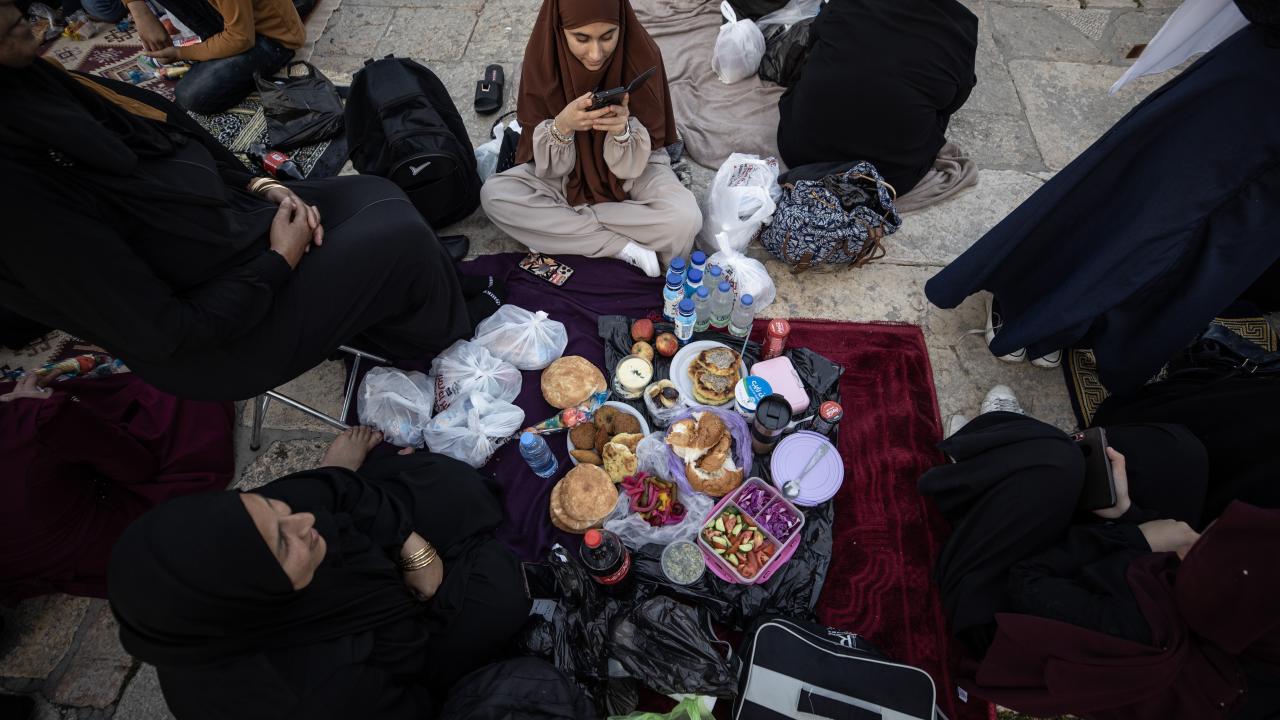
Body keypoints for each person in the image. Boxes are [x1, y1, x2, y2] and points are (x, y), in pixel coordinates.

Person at [0, 9, 502, 401]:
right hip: (222, 333)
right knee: (401, 239)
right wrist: (279, 259)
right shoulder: (21, 195)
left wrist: (260, 186)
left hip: (231, 223)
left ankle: (410, 304)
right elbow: (168, 333)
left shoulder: (46, 86)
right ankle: (438, 341)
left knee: (381, 193)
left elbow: (179, 138)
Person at [924, 8, 1280, 395]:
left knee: (1219, 247)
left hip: (1259, 90)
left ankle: (1089, 324)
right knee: (1141, 195)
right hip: (1260, 89)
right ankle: (1035, 301)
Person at [108, 427, 532, 720]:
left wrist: (412, 547)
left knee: (456, 486)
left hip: (357, 564)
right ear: (249, 595)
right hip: (397, 651)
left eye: (276, 512)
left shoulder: (241, 538)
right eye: (281, 542)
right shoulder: (313, 697)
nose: (305, 522)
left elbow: (334, 494)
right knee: (501, 590)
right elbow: (415, 699)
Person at [920, 386, 1280, 719]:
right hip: (1100, 583)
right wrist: (1128, 515)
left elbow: (1028, 581)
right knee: (1179, 454)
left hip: (1005, 617)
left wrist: (1137, 537)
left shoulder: (1143, 635)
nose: (1205, 532)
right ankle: (1009, 465)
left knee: (1052, 463)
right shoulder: (1243, 617)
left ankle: (992, 476)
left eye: (1211, 542)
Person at [480, 0, 702, 278]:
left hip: (633, 169)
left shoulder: (642, 55)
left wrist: (621, 131)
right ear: (559, 30)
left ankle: (567, 228)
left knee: (685, 219)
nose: (596, 54)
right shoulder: (541, 60)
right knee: (495, 196)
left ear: (622, 24)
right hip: (563, 174)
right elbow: (550, 168)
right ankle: (623, 248)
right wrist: (562, 126)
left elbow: (633, 168)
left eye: (608, 36)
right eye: (581, 38)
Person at [0, 370, 233, 604]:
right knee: (185, 384)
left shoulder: (20, 415)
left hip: (45, 565)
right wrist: (52, 404)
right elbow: (137, 466)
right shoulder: (27, 418)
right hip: (123, 536)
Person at [776, 0, 978, 195]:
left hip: (799, 150)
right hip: (888, 177)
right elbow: (953, 103)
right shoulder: (962, 27)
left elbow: (812, 45)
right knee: (941, 95)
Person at [88, 0, 311, 114]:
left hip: (271, 39)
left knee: (190, 96)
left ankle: (223, 56)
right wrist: (139, 11)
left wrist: (180, 53)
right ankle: (216, 49)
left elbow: (241, 38)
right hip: (233, 26)